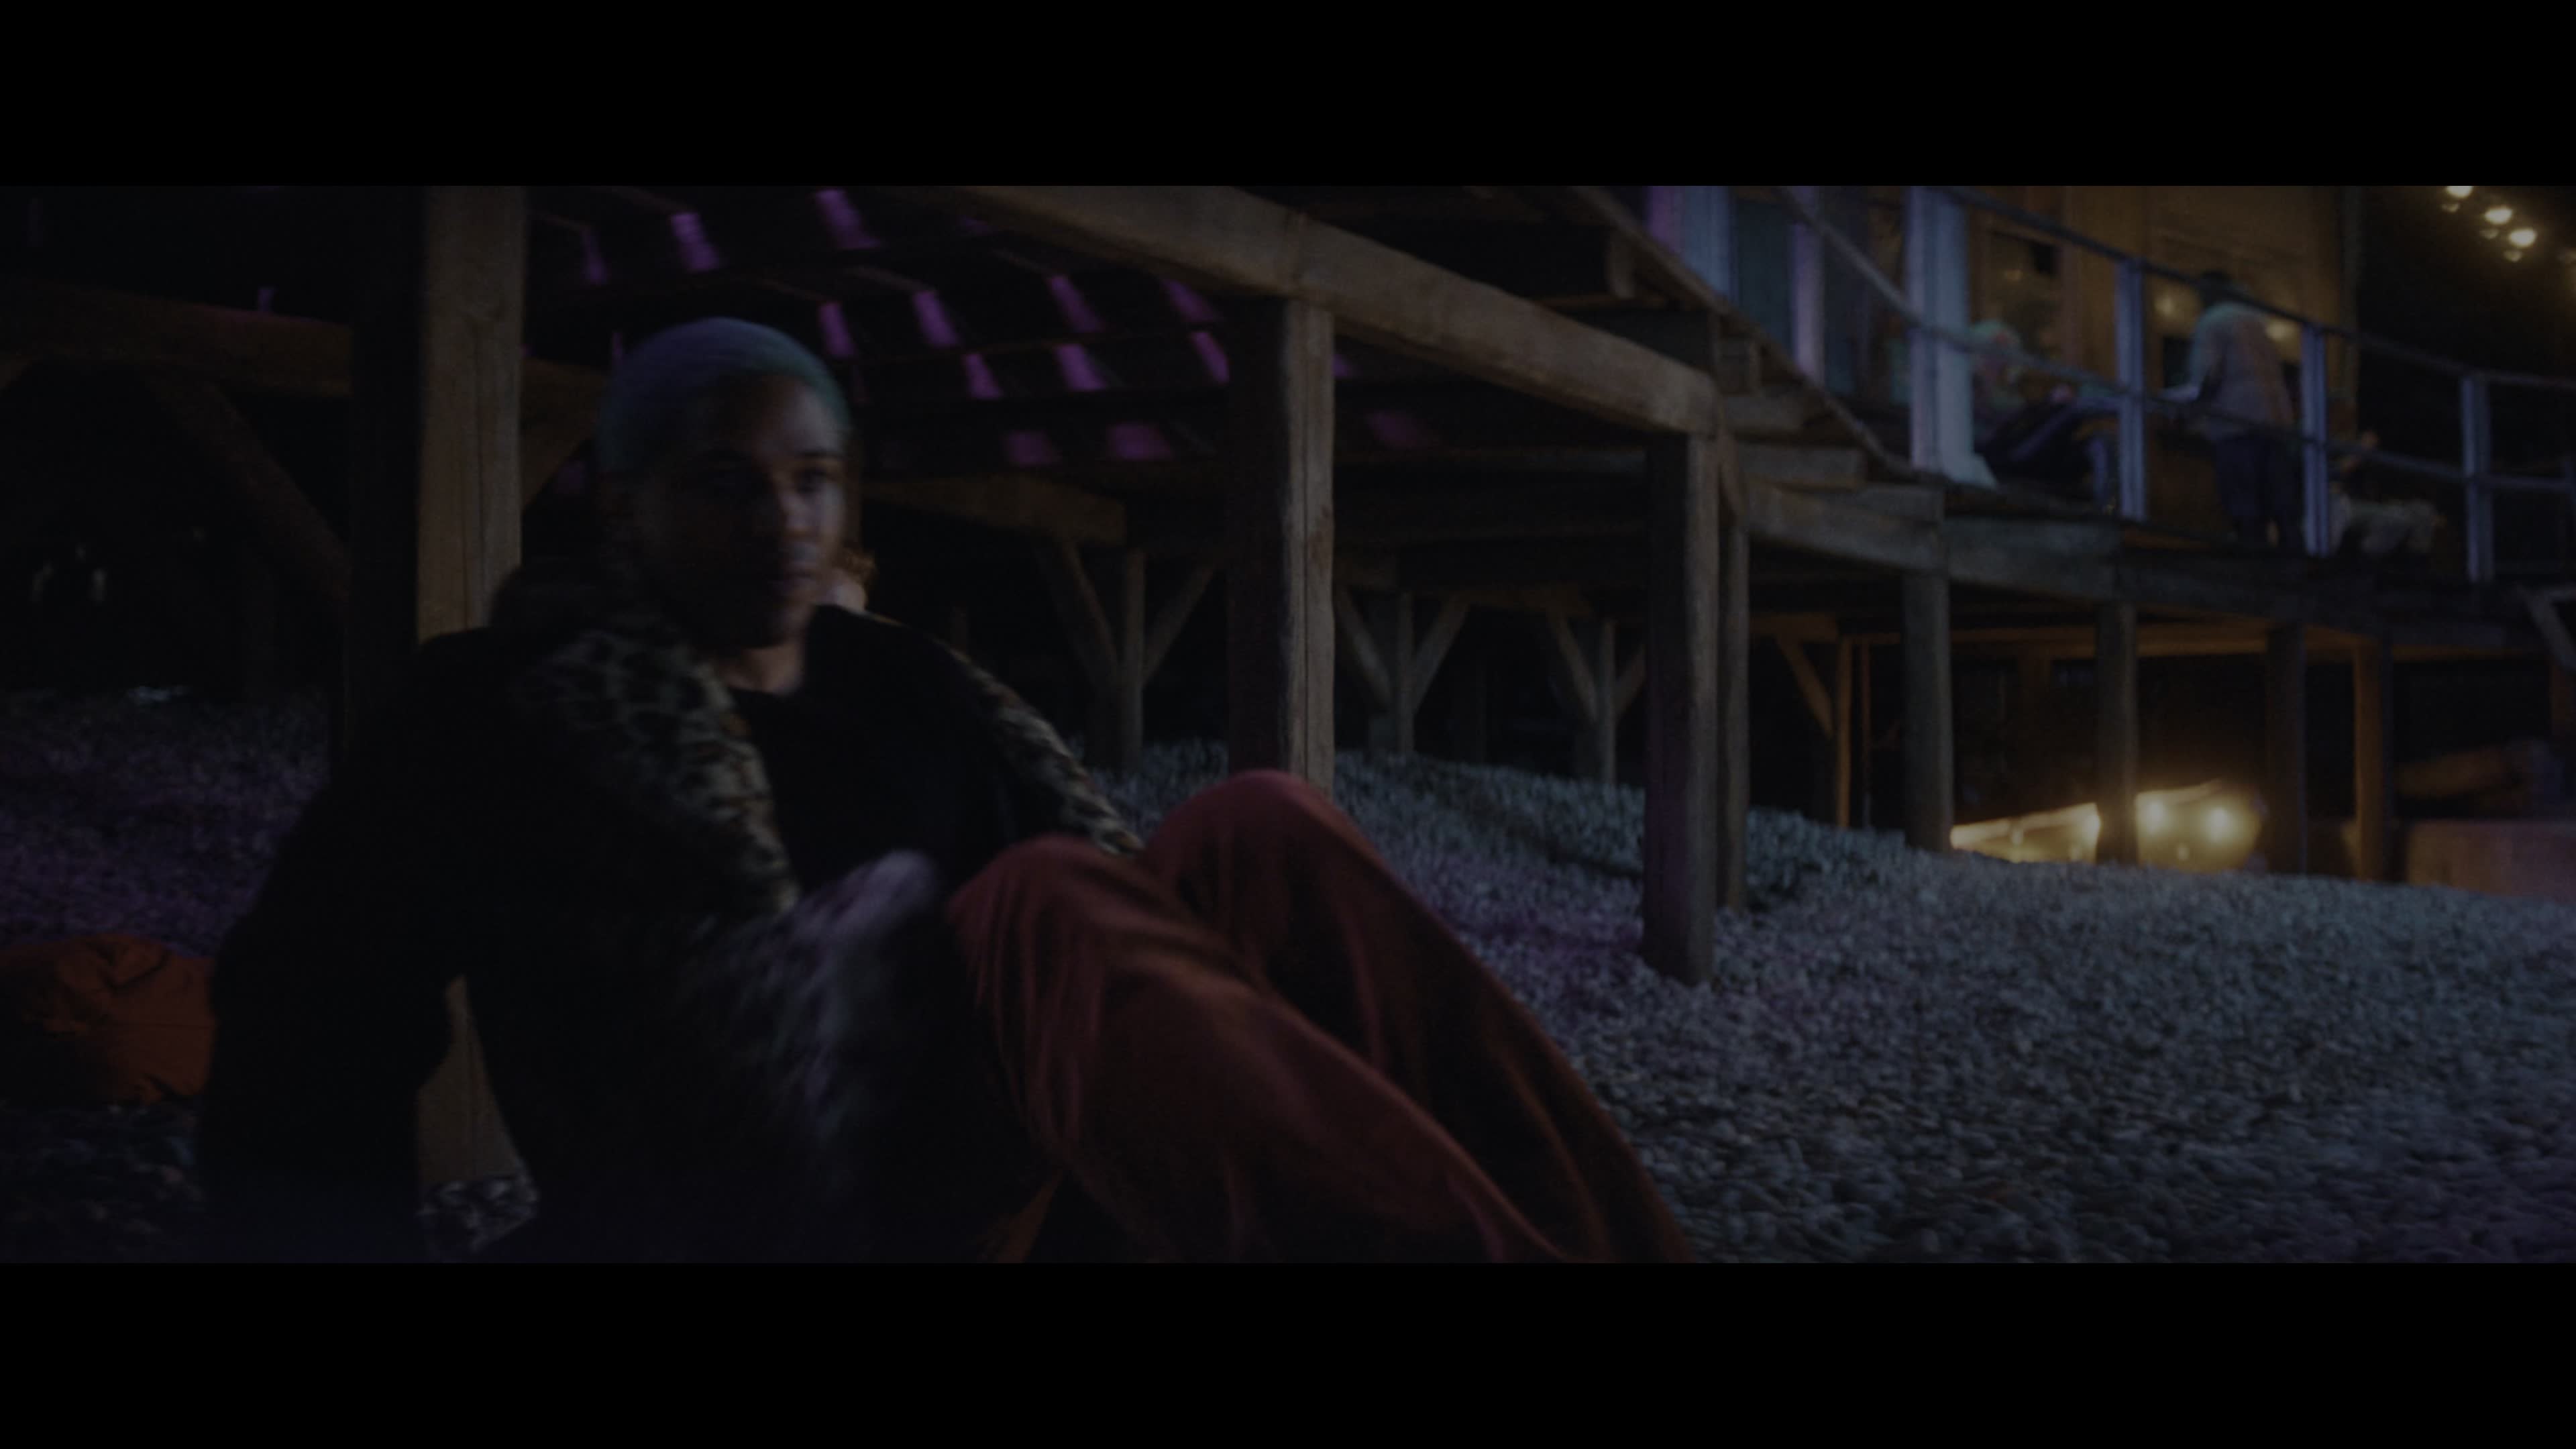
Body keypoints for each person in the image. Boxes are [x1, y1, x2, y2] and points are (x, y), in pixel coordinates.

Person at [195, 318, 1692, 1265]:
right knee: (1032, 898)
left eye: (813, 480)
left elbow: (1128, 974)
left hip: (972, 1194)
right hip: (717, 1208)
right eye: (726, 482)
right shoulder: (499, 707)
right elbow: (309, 1014)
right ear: (627, 504)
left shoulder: (906, 686)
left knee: (1261, 822)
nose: (782, 518)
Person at [2180, 271, 2300, 551]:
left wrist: (2187, 411)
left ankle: (2253, 563)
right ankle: (2294, 562)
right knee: (2279, 502)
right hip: (2274, 421)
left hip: (2236, 423)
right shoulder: (2257, 320)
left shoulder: (2212, 322)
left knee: (2244, 502)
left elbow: (2205, 376)